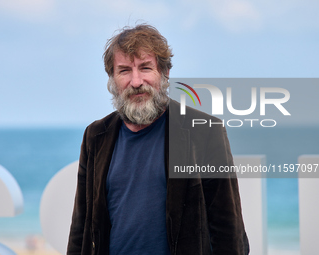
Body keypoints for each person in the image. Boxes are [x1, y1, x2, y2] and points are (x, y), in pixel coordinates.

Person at [67, 24, 249, 255]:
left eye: (145, 68)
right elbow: (81, 227)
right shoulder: (95, 136)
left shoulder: (204, 131)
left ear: (164, 73)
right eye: (124, 71)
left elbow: (228, 228)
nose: (136, 81)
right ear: (112, 79)